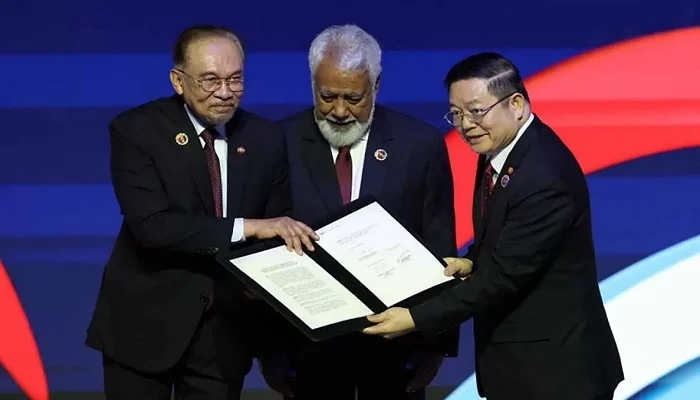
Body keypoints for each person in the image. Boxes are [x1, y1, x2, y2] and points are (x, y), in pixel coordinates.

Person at [362, 52, 624, 400]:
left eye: (476, 111)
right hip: (523, 365)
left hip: (557, 372)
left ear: (516, 105)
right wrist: (472, 261)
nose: (465, 125)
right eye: (456, 114)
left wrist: (415, 318)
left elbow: (502, 278)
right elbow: (506, 234)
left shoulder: (543, 175)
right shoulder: (503, 149)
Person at [85, 25, 318, 400]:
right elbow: (152, 226)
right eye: (210, 80)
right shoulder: (136, 131)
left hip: (224, 333)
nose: (225, 93)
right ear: (178, 81)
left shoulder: (265, 138)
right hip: (144, 324)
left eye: (235, 79)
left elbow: (279, 222)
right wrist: (247, 228)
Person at [258, 24, 460, 400]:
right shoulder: (278, 142)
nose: (339, 111)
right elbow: (262, 251)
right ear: (312, 83)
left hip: (396, 349)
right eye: (327, 96)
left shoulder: (420, 145)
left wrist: (437, 343)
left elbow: (440, 245)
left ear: (376, 86)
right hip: (306, 351)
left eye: (353, 98)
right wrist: (268, 351)